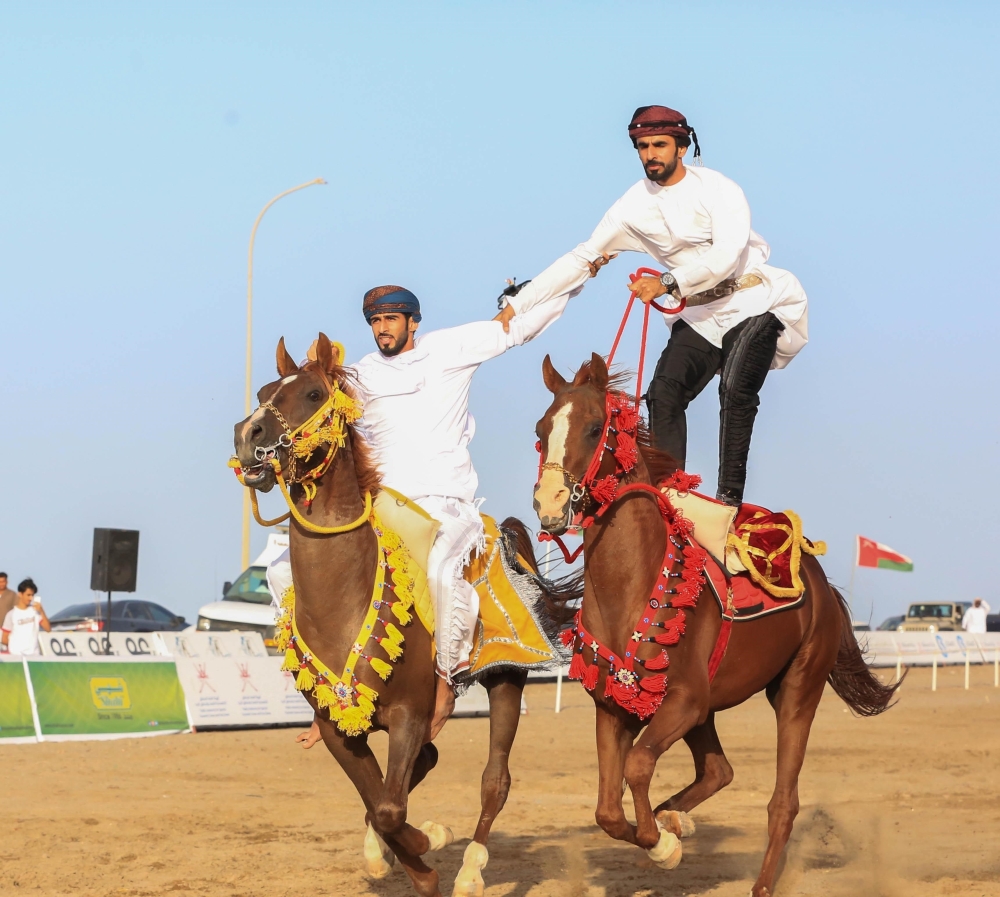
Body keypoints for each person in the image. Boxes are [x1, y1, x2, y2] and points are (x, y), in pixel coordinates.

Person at [269, 283, 567, 744]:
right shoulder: (361, 374)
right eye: (374, 321)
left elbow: (515, 329)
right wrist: (316, 368)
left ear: (413, 321)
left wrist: (574, 274)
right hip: (379, 505)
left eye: (390, 319)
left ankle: (446, 682)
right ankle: (321, 696)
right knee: (281, 572)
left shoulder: (449, 348)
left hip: (442, 503)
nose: (381, 329)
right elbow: (314, 400)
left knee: (445, 577)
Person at [497, 105, 809, 507]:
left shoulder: (719, 189)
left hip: (755, 300)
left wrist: (666, 282)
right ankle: (670, 494)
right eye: (642, 147)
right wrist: (520, 303)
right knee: (662, 396)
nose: (650, 154)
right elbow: (583, 258)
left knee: (735, 389)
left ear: (681, 147)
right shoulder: (632, 206)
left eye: (659, 144)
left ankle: (728, 502)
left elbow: (727, 256)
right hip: (699, 313)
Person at [1, 578, 51, 656]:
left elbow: (48, 629)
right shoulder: (11, 614)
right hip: (17, 655)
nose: (31, 598)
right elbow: (4, 639)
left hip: (34, 655)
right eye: (28, 595)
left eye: (32, 595)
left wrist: (41, 611)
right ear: (20, 594)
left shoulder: (35, 611)